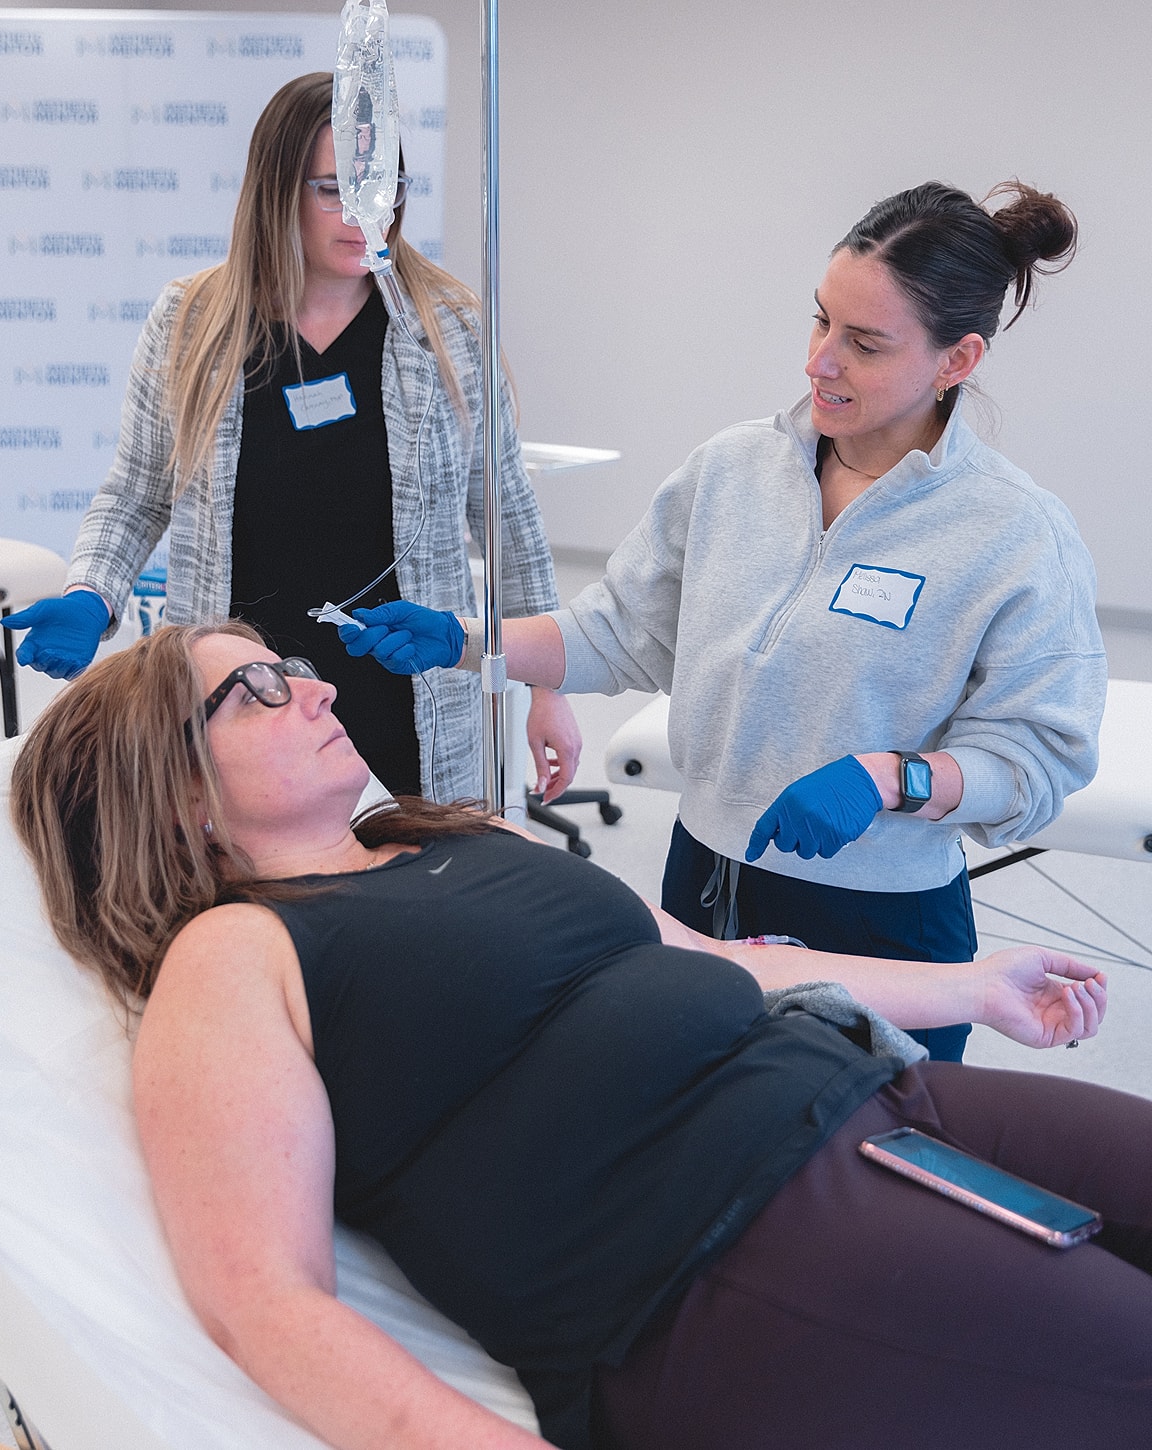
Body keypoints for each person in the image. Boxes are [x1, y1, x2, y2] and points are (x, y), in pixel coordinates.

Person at [10, 622, 1152, 1450]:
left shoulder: (462, 828)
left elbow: (719, 961)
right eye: (255, 691)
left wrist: (976, 986)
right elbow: (264, 1295)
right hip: (718, 1261)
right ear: (178, 798)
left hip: (872, 1097)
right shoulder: (234, 954)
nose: (314, 692)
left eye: (291, 668)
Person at [338, 179, 1108, 1059]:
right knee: (695, 1142)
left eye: (864, 343)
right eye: (820, 321)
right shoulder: (736, 470)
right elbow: (617, 631)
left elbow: (1037, 761)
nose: (820, 361)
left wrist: (889, 778)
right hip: (703, 881)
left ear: (956, 360)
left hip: (882, 921)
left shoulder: (1012, 533)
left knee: (857, 1169)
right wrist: (469, 641)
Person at [0, 71, 579, 805]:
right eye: (334, 190)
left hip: (409, 698)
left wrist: (547, 685)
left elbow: (506, 519)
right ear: (278, 189)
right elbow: (136, 490)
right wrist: (91, 592)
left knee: (415, 898)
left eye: (384, 188)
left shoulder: (450, 330)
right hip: (239, 698)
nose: (366, 216)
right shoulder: (192, 322)